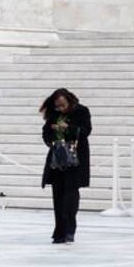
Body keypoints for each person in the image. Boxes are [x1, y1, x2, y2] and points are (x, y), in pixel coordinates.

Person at [40, 88, 91, 244]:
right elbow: (45, 133)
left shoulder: (82, 111)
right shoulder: (54, 113)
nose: (60, 108)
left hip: (75, 160)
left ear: (69, 101)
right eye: (58, 106)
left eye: (63, 105)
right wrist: (52, 138)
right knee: (58, 195)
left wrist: (67, 128)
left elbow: (86, 131)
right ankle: (59, 231)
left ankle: (69, 229)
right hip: (58, 159)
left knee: (70, 194)